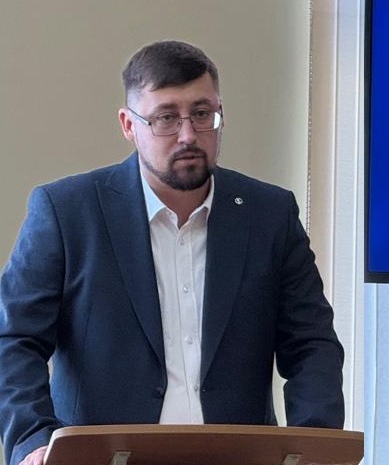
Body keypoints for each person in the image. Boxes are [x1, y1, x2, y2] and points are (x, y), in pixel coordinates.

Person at [0, 40, 345, 465]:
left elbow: (311, 344)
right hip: (103, 457)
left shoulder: (269, 215)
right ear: (129, 125)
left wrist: (314, 444)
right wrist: (33, 438)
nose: (188, 135)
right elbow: (13, 338)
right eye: (165, 117)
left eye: (202, 114)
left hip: (236, 457)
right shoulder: (68, 212)